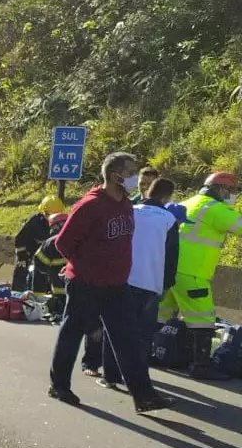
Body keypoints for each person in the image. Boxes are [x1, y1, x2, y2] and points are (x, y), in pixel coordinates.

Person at [47, 152, 176, 413]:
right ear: (116, 175)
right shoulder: (90, 205)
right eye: (130, 172)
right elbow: (63, 243)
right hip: (86, 283)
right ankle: (59, 385)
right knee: (72, 333)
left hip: (117, 285)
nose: (134, 177)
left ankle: (144, 396)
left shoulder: (126, 203)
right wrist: (86, 266)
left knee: (127, 339)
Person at [95, 177, 179, 389]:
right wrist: (166, 284)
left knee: (115, 329)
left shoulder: (130, 210)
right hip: (151, 283)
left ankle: (111, 376)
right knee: (143, 335)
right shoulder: (169, 219)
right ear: (168, 196)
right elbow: (171, 258)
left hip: (123, 278)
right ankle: (138, 379)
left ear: (148, 191)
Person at [158, 172, 242, 379]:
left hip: (168, 269)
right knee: (204, 320)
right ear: (221, 189)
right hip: (192, 273)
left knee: (161, 315)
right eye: (232, 191)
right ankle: (200, 367)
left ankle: (155, 354)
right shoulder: (215, 209)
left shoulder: (189, 202)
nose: (233, 196)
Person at [13, 195, 66, 291]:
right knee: (21, 278)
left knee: (42, 282)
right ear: (44, 212)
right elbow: (20, 239)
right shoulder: (35, 221)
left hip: (44, 257)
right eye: (50, 215)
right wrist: (22, 258)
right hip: (27, 255)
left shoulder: (58, 224)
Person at [30, 213, 69, 315]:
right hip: (78, 287)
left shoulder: (50, 243)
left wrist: (50, 271)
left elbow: (39, 263)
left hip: (58, 288)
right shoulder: (80, 238)